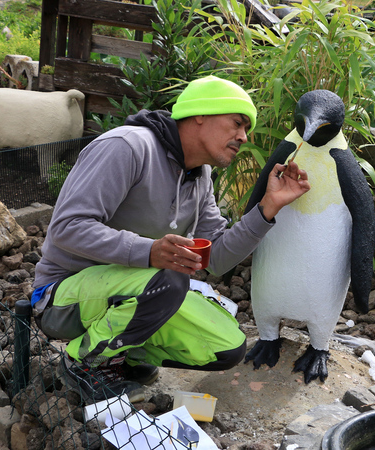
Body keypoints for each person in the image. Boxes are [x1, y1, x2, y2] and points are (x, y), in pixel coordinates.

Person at [30, 75, 311, 402]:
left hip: (138, 292)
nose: (243, 137)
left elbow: (216, 259)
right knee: (170, 280)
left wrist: (268, 207)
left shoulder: (200, 176)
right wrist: (150, 252)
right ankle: (86, 362)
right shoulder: (127, 147)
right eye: (237, 123)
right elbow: (67, 227)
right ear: (201, 114)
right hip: (62, 298)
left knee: (227, 347)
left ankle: (123, 354)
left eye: (246, 129)